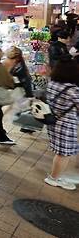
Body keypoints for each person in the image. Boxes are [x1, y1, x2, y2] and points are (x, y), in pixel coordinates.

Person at [44, 57, 79, 190]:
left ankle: (56, 175)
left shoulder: (52, 84)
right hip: (66, 125)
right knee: (63, 154)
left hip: (53, 121)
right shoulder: (72, 90)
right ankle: (53, 178)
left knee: (60, 152)